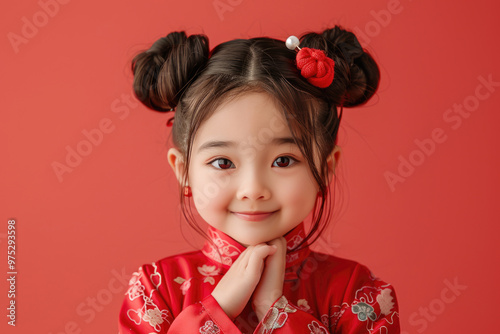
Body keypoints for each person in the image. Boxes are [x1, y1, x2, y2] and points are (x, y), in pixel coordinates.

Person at [118, 25, 400, 333]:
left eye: (283, 160)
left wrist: (275, 312)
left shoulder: (360, 296)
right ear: (183, 171)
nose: (253, 189)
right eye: (223, 162)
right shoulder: (154, 292)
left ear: (326, 168)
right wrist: (217, 310)